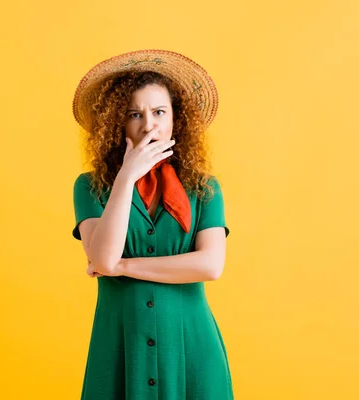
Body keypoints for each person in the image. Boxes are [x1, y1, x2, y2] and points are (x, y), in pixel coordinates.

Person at [71, 49, 233, 399]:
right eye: (134, 114)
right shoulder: (91, 187)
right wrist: (126, 177)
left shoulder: (204, 189)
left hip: (191, 348)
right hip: (119, 348)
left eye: (159, 112)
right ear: (118, 123)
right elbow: (102, 259)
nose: (148, 125)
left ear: (176, 119)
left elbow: (210, 264)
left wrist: (124, 265)